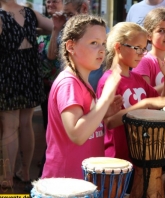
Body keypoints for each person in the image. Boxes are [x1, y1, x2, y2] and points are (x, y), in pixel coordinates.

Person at [96, 22, 165, 192]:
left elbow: (161, 103)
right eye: (137, 48)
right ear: (118, 47)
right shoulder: (108, 80)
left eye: (144, 48)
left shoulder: (137, 78)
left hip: (139, 155)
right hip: (118, 159)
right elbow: (110, 121)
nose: (142, 53)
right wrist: (143, 105)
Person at [41, 14, 123, 179]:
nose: (101, 50)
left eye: (103, 43)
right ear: (71, 46)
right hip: (65, 184)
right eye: (94, 43)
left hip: (79, 182)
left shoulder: (80, 81)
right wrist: (105, 100)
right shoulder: (68, 84)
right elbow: (77, 135)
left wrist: (102, 114)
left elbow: (83, 123)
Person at [0, 0, 52, 188]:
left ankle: (6, 176)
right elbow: (53, 27)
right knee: (26, 123)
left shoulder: (1, 16)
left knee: (10, 126)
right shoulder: (30, 14)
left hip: (8, 73)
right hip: (30, 71)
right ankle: (25, 171)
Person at [47, 0, 104, 91]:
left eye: (71, 15)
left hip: (92, 91)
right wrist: (56, 29)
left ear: (84, 8)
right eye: (66, 15)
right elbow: (51, 56)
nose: (68, 20)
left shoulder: (99, 32)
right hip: (71, 87)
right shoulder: (66, 30)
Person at [37, 0, 64, 177]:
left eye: (55, 1)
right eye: (48, 1)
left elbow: (52, 54)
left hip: (59, 86)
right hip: (45, 86)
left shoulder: (64, 26)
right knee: (48, 126)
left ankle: (52, 165)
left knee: (57, 128)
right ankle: (48, 159)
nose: (50, 3)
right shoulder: (47, 24)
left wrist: (55, 30)